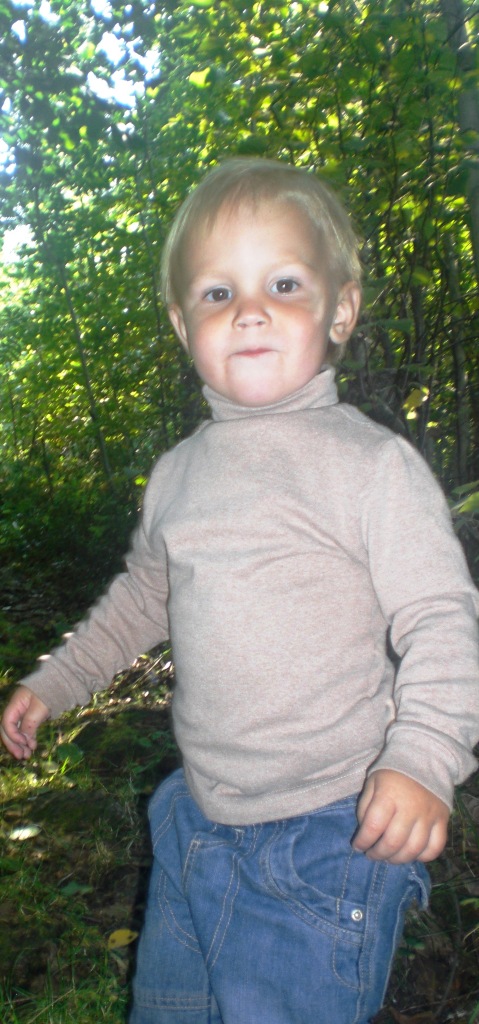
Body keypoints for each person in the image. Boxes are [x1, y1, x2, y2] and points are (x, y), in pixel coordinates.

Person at [2, 158, 479, 1024]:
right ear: (183, 324)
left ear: (339, 310)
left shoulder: (369, 466)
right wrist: (56, 682)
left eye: (283, 284)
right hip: (197, 818)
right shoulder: (179, 473)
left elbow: (442, 620)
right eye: (217, 293)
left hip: (329, 829)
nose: (249, 310)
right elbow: (141, 599)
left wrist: (422, 759)